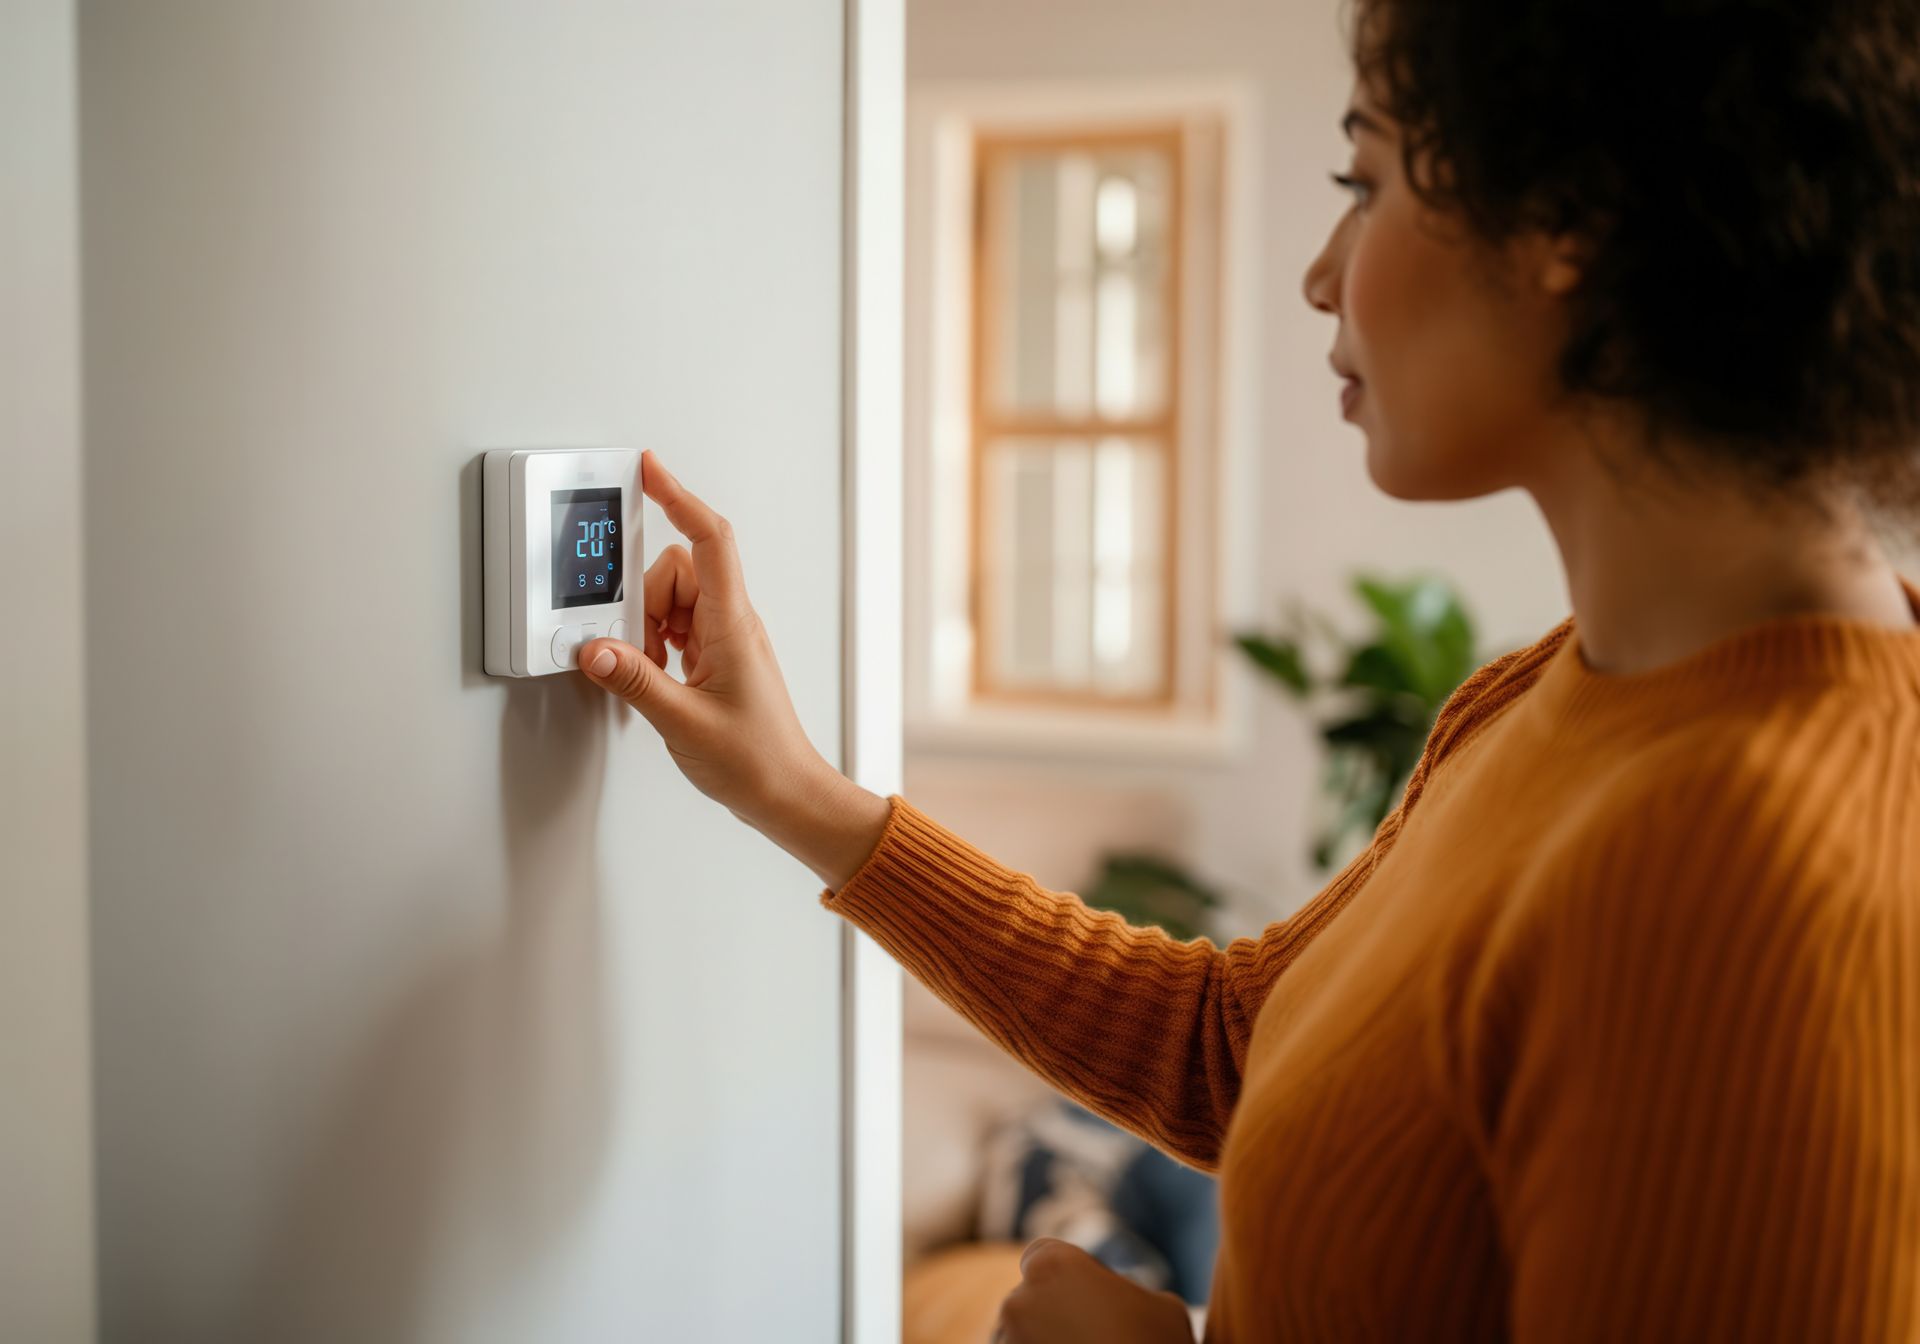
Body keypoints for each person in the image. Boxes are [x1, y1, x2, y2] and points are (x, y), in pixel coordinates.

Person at [575, 0, 1920, 1337]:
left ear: (1570, 217)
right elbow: (1237, 1047)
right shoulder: (1555, 691)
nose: (1321, 273)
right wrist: (798, 792)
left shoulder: (1777, 870)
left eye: (1366, 179)